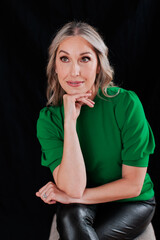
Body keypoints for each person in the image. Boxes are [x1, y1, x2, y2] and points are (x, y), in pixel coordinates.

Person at [36, 21, 156, 240]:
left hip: (132, 203)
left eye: (85, 59)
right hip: (82, 203)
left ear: (99, 64)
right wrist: (70, 122)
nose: (74, 71)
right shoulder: (49, 120)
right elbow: (73, 188)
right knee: (71, 220)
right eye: (64, 59)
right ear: (55, 66)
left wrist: (75, 198)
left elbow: (133, 185)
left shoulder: (126, 105)